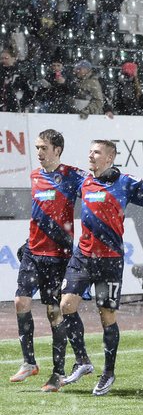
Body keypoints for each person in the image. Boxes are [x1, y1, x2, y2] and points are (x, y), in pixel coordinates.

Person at [46, 139, 143, 395]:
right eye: (90, 151)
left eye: (96, 152)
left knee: (107, 317)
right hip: (82, 256)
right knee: (66, 306)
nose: (91, 155)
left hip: (110, 260)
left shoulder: (125, 182)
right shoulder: (83, 180)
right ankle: (83, 361)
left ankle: (108, 373)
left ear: (109, 157)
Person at [9, 130, 86, 384]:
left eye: (44, 148)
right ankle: (29, 362)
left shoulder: (72, 176)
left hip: (57, 255)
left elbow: (97, 186)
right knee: (21, 302)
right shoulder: (35, 176)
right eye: (37, 148)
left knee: (54, 312)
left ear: (57, 150)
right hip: (33, 251)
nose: (39, 153)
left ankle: (58, 371)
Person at [0, 47, 32, 112]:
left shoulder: (20, 76)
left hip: (15, 110)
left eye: (6, 58)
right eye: (1, 58)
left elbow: (28, 93)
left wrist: (21, 105)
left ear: (13, 59)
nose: (3, 60)